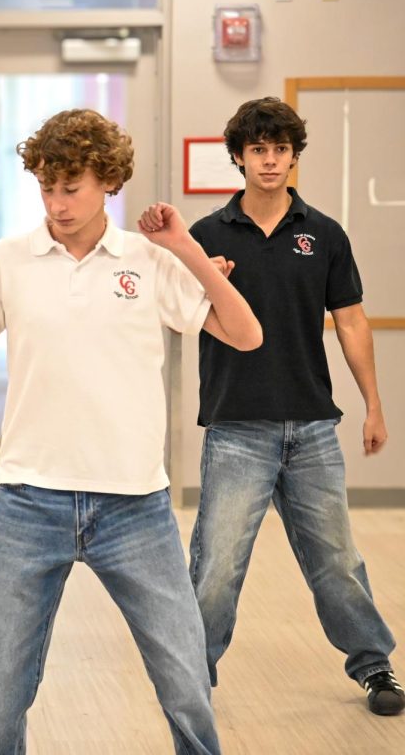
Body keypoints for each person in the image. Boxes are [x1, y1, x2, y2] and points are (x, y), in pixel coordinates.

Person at [0, 108, 263, 753]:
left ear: (107, 181)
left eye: (71, 188)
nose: (57, 203)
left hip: (135, 505)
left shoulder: (149, 260)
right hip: (28, 501)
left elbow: (247, 335)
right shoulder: (8, 262)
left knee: (186, 678)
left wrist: (187, 250)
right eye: (47, 188)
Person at [185, 97, 403, 715]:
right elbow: (177, 317)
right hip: (236, 427)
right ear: (239, 157)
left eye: (281, 149)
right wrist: (209, 281)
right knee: (217, 564)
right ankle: (191, 672)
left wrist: (374, 406)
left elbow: (353, 321)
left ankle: (374, 666)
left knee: (337, 559)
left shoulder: (324, 234)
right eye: (259, 150)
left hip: (312, 426)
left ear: (293, 155)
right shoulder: (205, 236)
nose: (271, 160)